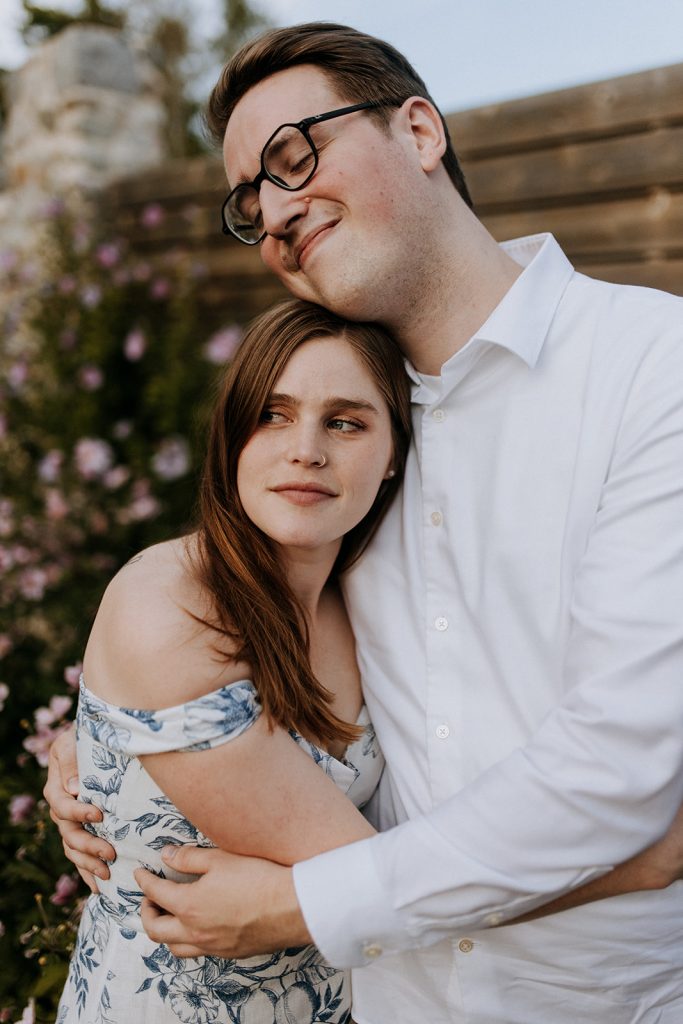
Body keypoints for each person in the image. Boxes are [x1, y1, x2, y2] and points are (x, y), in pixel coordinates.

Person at [47, 22, 683, 1024]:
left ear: (419, 131)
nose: (274, 212)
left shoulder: (650, 368)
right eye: (249, 201)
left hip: (595, 1000)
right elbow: (227, 626)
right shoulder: (350, 436)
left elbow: (617, 774)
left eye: (294, 156)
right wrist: (108, 755)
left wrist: (302, 903)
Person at [54, 297, 411, 1023]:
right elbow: (385, 885)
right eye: (272, 415)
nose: (305, 448)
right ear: (232, 437)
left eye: (345, 422)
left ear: (393, 453)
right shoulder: (172, 606)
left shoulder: (373, 599)